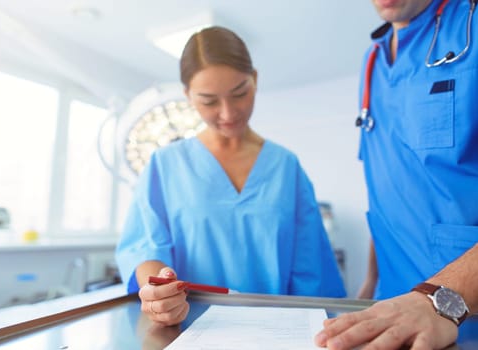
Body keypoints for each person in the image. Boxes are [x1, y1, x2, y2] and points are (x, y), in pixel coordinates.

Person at [116, 25, 346, 326]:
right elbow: (145, 248)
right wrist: (157, 289)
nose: (228, 113)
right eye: (209, 101)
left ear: (255, 80)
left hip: (276, 334)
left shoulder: (286, 167)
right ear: (188, 96)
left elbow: (311, 273)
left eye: (240, 93)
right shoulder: (166, 165)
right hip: (189, 330)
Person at [315, 0, 478, 348]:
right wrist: (369, 282)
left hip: (463, 316)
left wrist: (437, 300)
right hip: (392, 308)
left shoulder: (471, 28)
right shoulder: (371, 60)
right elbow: (390, 186)